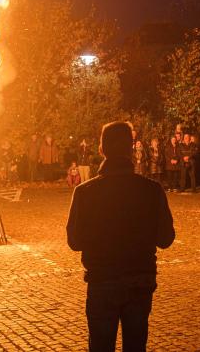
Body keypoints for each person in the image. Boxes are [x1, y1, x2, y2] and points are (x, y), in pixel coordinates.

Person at [66, 121, 176, 352]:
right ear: (131, 148)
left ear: (102, 149)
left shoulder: (85, 193)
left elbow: (74, 241)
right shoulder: (151, 190)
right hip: (139, 281)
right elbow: (165, 238)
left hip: (102, 281)